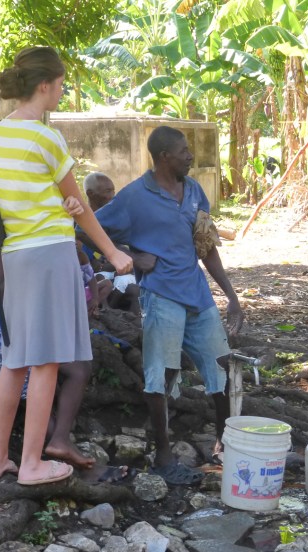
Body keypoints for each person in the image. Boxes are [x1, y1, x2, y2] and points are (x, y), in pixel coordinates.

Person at [0, 46, 132, 486]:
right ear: (44, 85)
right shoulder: (45, 137)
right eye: (62, 83)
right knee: (46, 362)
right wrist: (115, 254)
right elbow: (83, 207)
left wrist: (60, 202)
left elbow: (26, 195)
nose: (63, 90)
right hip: (49, 253)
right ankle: (31, 464)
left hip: (14, 255)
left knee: (16, 361)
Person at [87, 125, 243, 485]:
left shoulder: (193, 191)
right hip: (161, 296)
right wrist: (130, 256)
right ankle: (163, 455)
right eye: (183, 151)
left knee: (221, 367)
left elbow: (206, 246)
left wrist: (231, 296)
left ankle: (226, 445)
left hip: (198, 296)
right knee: (160, 373)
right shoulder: (133, 197)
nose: (190, 155)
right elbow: (87, 229)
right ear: (163, 157)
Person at [0, 238, 97, 471]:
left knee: (79, 369)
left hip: (21, 326)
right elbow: (7, 297)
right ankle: (52, 452)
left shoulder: (28, 242)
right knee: (42, 376)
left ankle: (59, 440)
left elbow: (85, 281)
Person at [83, 172, 140, 313]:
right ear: (90, 194)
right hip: (94, 280)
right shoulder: (81, 224)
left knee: (135, 289)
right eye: (108, 191)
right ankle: (108, 313)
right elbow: (87, 266)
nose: (113, 196)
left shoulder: (114, 221)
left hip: (115, 274)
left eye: (114, 191)